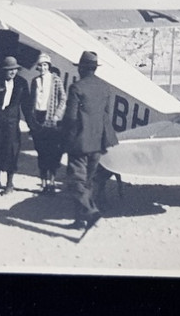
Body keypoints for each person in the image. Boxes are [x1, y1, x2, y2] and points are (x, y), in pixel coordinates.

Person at [63, 50, 119, 229]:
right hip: (98, 142)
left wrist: (66, 139)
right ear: (95, 68)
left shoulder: (77, 87)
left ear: (81, 69)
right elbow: (106, 115)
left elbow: (70, 118)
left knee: (75, 182)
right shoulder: (104, 87)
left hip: (80, 142)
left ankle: (90, 211)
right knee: (87, 182)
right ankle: (79, 220)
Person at [0, 56, 30, 194]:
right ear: (3, 70)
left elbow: (27, 105)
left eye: (14, 69)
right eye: (9, 70)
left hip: (11, 123)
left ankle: (9, 183)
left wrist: (32, 125)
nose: (12, 72)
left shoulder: (21, 83)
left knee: (11, 151)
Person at [25, 53, 67, 193]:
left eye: (45, 65)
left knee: (53, 152)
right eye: (40, 65)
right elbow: (32, 100)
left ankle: (52, 181)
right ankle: (43, 182)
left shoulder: (56, 80)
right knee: (41, 152)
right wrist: (31, 119)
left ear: (49, 66)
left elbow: (63, 98)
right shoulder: (35, 81)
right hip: (38, 119)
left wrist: (57, 115)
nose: (42, 68)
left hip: (51, 120)